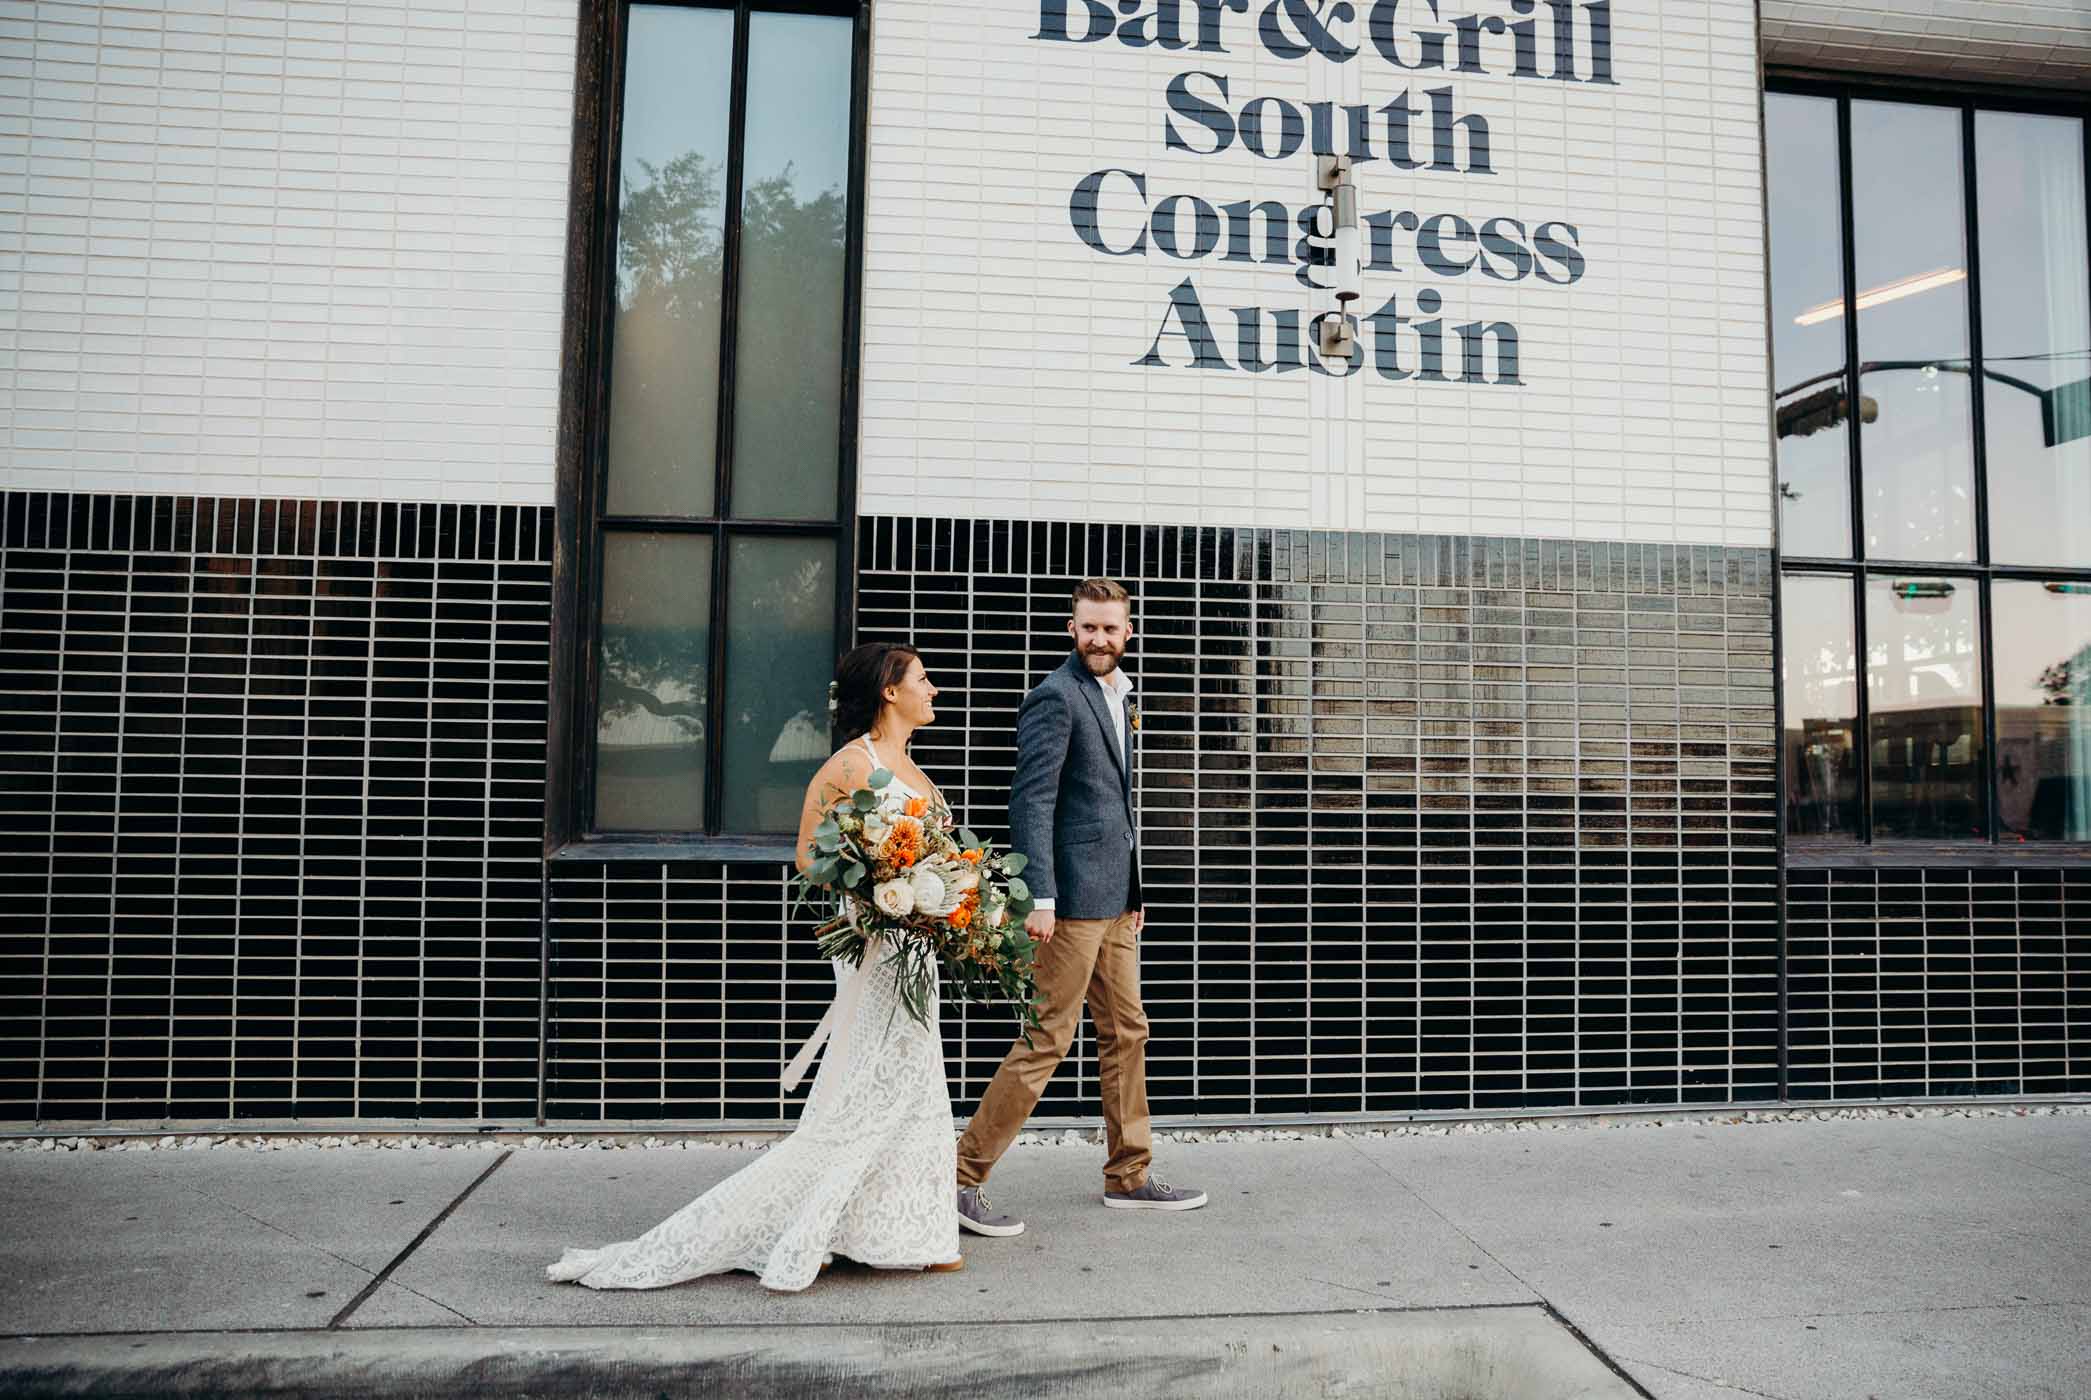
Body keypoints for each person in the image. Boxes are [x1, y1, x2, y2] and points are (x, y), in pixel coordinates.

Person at [547, 643, 964, 1293]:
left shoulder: (912, 766)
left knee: (908, 1084)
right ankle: (817, 1222)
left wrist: (949, 898)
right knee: (872, 1086)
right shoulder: (850, 764)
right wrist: (880, 891)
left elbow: (941, 854)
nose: (934, 689)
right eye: (923, 679)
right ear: (890, 692)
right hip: (879, 942)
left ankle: (898, 1229)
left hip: (918, 944)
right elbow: (808, 855)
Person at [953, 578, 1207, 1238]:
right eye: (1088, 627)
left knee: (1127, 1032)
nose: (1099, 638)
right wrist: (1039, 896)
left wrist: (1132, 893)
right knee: (1046, 1038)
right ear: (1072, 629)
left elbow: (1113, 808)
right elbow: (1030, 802)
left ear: (1128, 634)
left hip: (1114, 903)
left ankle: (1128, 1175)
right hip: (1067, 905)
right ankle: (959, 1177)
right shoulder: (1054, 697)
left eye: (1110, 628)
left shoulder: (1118, 696)